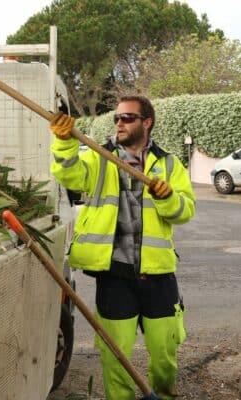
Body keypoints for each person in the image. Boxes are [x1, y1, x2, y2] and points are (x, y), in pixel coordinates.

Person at [49, 95, 196, 399]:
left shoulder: (168, 163)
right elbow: (70, 174)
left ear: (147, 122)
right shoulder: (99, 157)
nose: (119, 123)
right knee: (116, 358)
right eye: (117, 118)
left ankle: (164, 395)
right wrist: (64, 143)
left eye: (128, 117)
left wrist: (167, 197)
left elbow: (185, 212)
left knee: (166, 354)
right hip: (115, 275)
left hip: (158, 275)